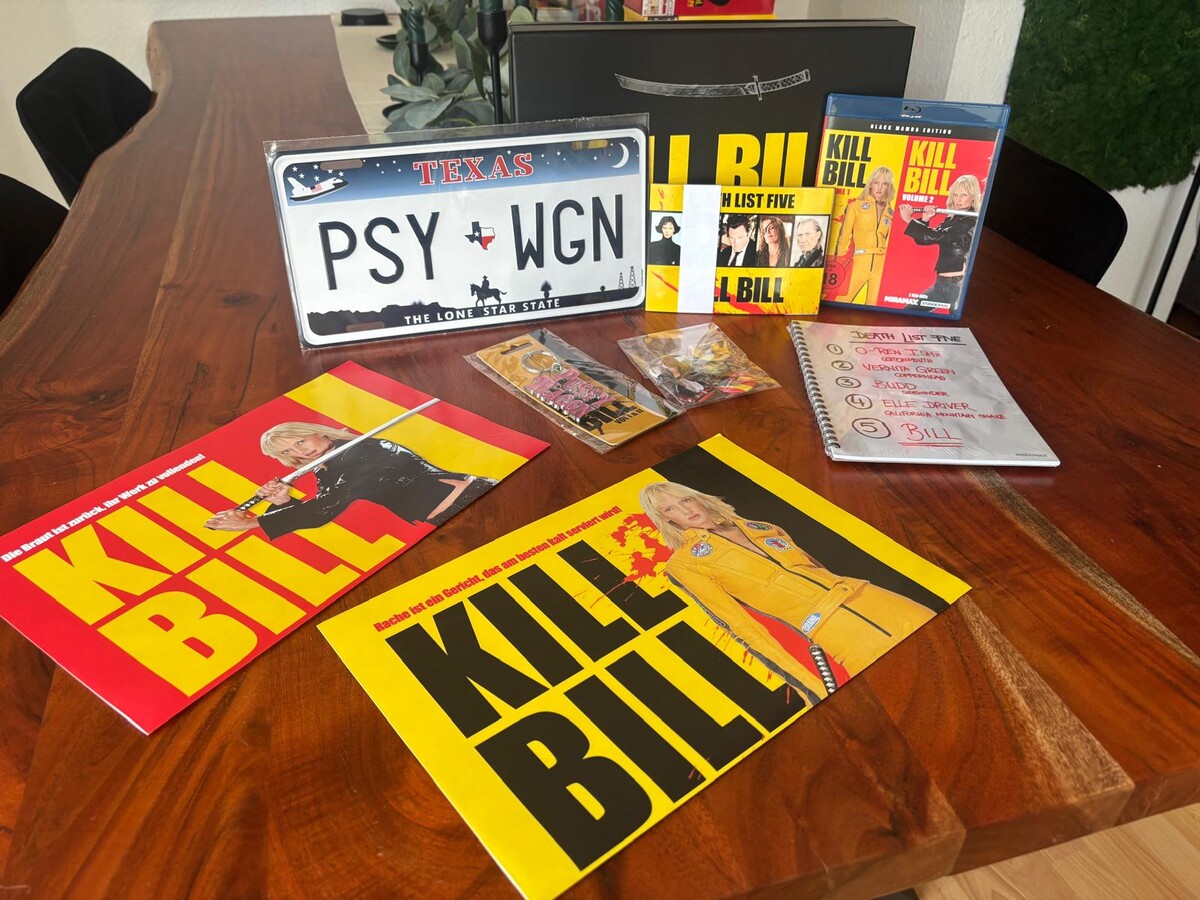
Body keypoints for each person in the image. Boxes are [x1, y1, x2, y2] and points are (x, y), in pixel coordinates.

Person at [639, 481, 935, 701]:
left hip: (874, 597)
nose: (685, 510)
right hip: (832, 629)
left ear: (698, 498)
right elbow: (742, 628)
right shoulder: (685, 564)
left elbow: (818, 569)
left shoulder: (761, 527)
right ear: (666, 519)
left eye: (686, 499)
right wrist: (812, 689)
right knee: (909, 692)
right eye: (670, 509)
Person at [205, 422, 496, 538]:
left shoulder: (363, 450)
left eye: (300, 441)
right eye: (287, 451)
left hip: (479, 499)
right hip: (450, 519)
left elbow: (322, 510)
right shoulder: (328, 468)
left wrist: (249, 523)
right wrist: (283, 500)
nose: (299, 452)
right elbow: (321, 506)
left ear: (319, 432)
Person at [898, 174, 981, 309]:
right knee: (909, 311)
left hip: (957, 287)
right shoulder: (952, 218)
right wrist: (925, 219)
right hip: (941, 285)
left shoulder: (970, 222)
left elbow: (936, 236)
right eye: (955, 195)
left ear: (973, 197)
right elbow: (924, 240)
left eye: (963, 195)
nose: (958, 200)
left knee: (956, 321)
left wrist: (909, 219)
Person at [831, 166, 895, 305]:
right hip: (859, 261)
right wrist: (838, 263)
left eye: (884, 184)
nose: (879, 188)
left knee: (874, 306)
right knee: (841, 301)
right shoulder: (855, 206)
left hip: (881, 265)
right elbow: (844, 237)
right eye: (876, 182)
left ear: (889, 187)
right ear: (870, 184)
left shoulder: (891, 212)